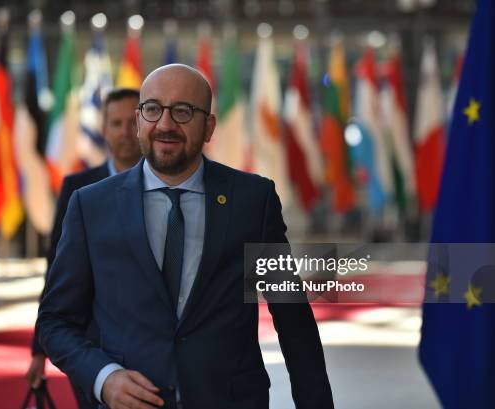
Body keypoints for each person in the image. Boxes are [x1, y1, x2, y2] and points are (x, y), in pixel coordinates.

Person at [37, 64, 333, 409]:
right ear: (138, 121)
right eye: (153, 109)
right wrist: (104, 378)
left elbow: (292, 318)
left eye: (183, 111)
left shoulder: (253, 201)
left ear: (208, 127)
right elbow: (55, 321)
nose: (165, 124)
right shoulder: (91, 206)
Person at [26, 88, 142, 408]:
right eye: (115, 124)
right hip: (94, 348)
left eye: (131, 122)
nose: (125, 132)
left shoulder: (174, 184)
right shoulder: (78, 189)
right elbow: (56, 270)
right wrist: (39, 349)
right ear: (103, 130)